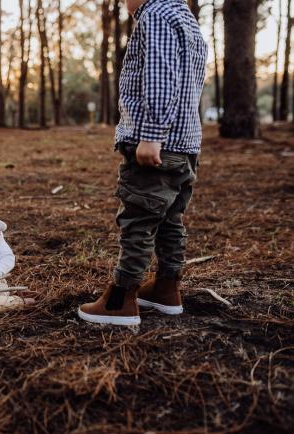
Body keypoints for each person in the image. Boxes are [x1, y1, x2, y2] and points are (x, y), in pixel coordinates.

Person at [78, 0, 207, 325]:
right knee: (169, 219)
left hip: (158, 145)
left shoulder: (156, 15)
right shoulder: (185, 18)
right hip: (185, 144)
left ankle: (121, 300)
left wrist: (151, 135)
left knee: (138, 220)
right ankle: (167, 288)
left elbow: (162, 79)